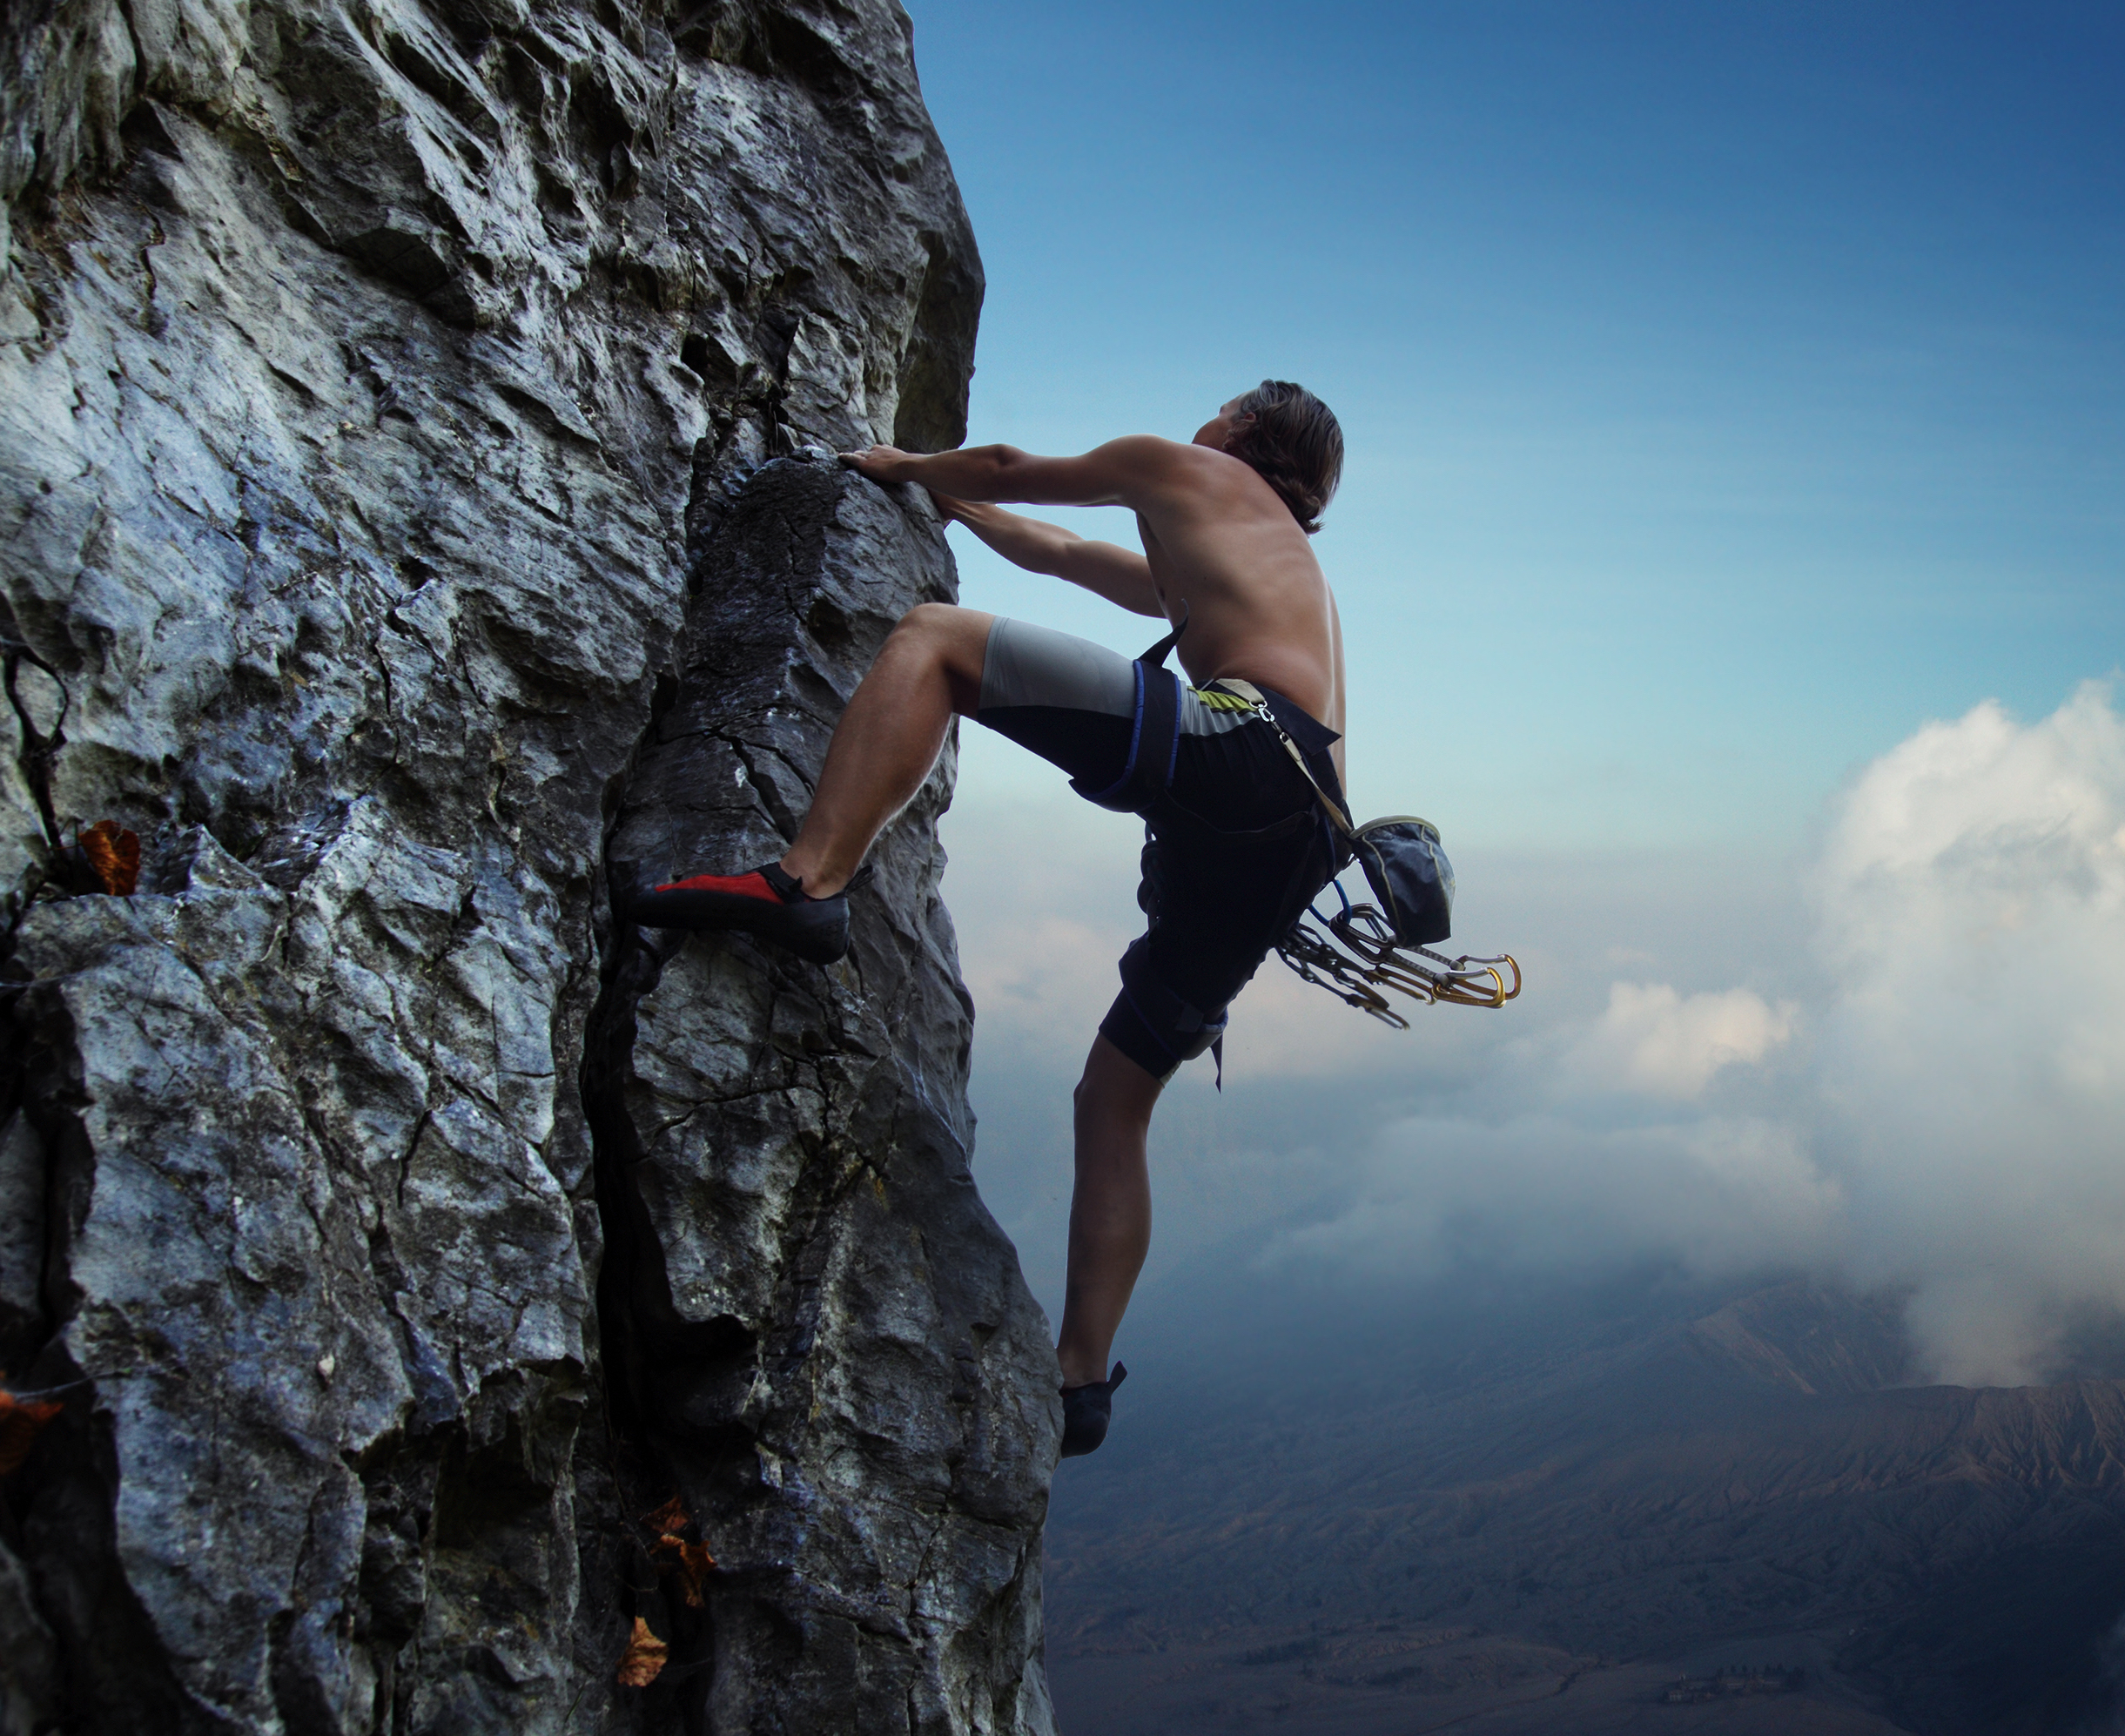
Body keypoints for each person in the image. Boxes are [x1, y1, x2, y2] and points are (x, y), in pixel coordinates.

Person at [630, 380, 1349, 1457]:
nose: (1209, 415)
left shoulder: (1194, 471)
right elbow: (1053, 547)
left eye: (1229, 404)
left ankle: (807, 882)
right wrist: (948, 505)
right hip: (1300, 834)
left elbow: (1013, 466)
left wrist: (915, 465)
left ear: (1247, 430)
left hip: (1244, 751)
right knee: (1113, 1097)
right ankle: (1080, 1377)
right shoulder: (1248, 558)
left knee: (933, 638)